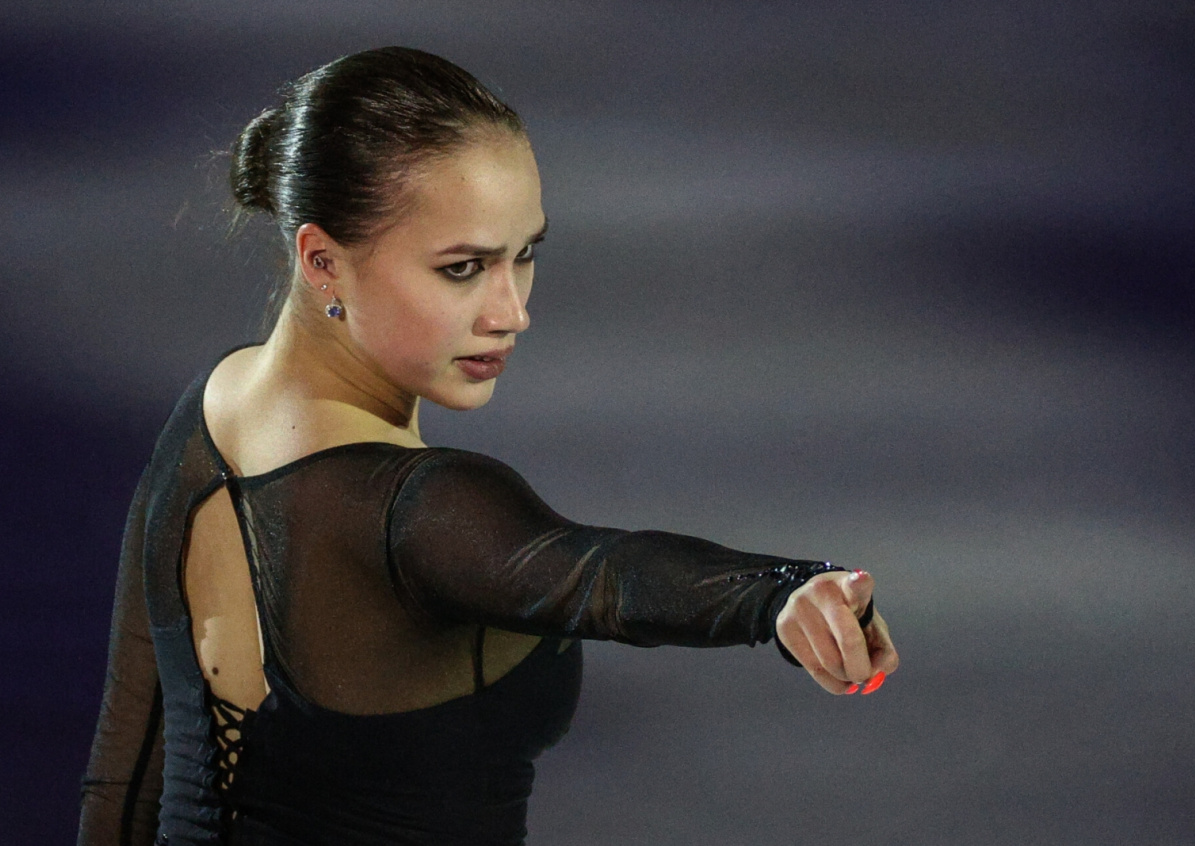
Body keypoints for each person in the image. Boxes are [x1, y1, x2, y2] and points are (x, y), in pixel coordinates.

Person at [77, 46, 899, 846]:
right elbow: (601, 575)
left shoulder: (214, 404)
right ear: (323, 260)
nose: (512, 312)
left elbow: (125, 770)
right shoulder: (422, 505)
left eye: (524, 254)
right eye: (463, 268)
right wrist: (781, 593)